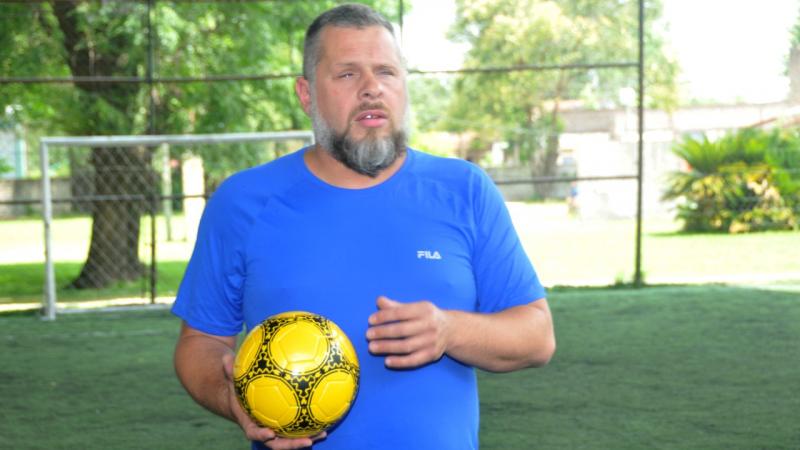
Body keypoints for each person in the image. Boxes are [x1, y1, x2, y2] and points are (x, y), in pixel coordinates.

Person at [172, 4, 555, 450]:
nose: (372, 88)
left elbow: (536, 336)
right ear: (306, 93)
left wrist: (450, 330)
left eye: (387, 72)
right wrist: (230, 396)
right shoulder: (243, 202)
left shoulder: (465, 190)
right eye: (348, 74)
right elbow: (198, 343)